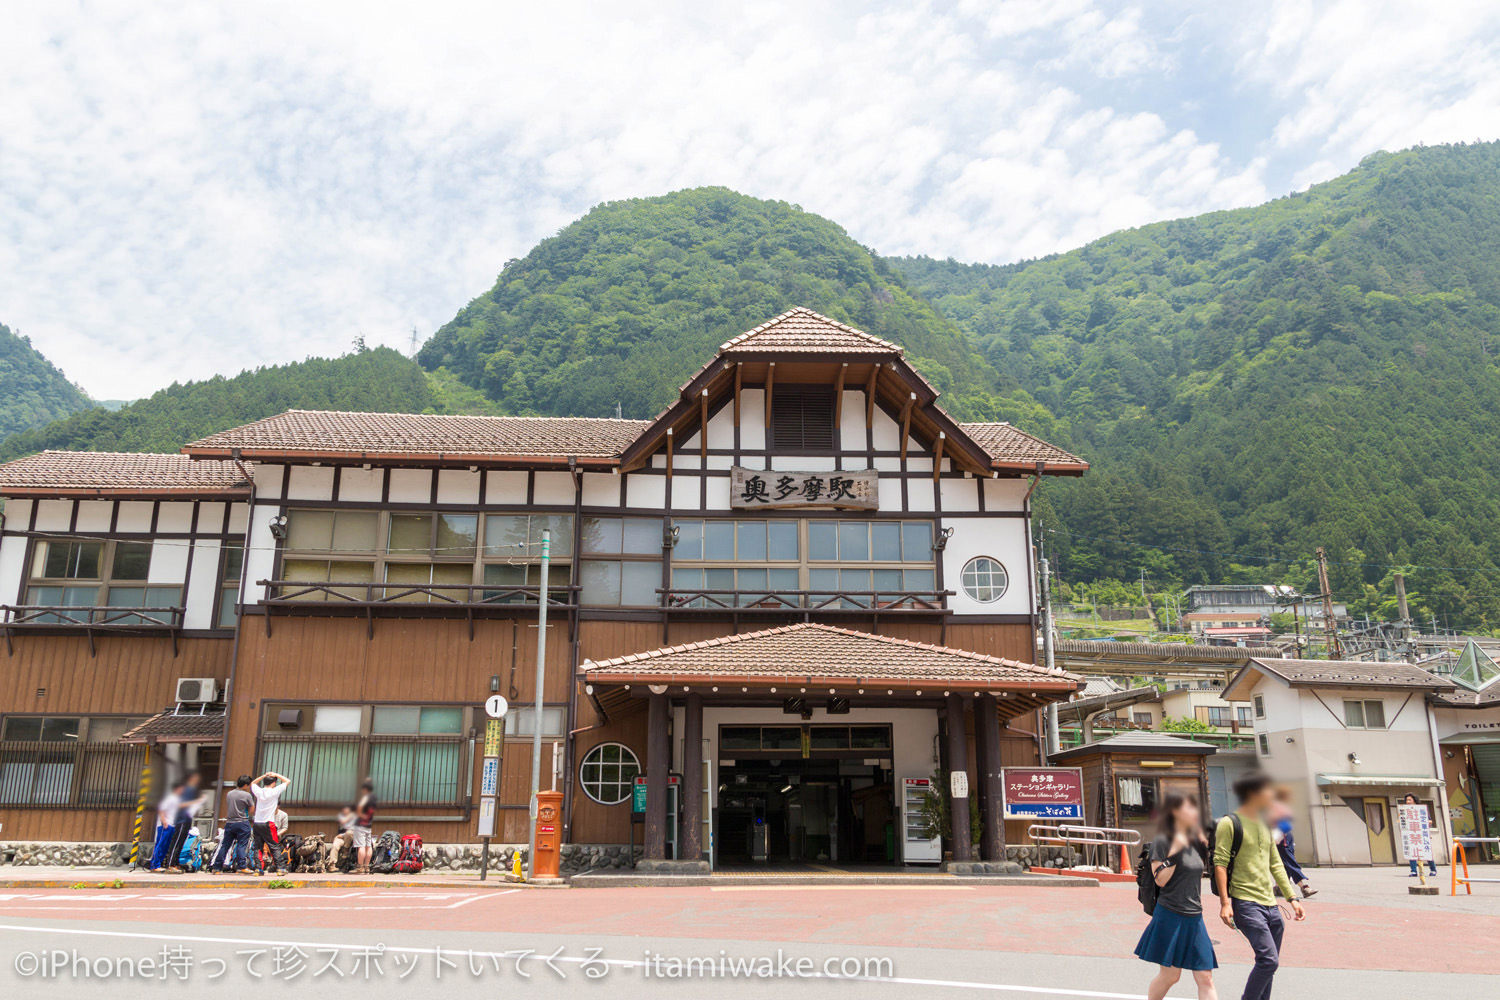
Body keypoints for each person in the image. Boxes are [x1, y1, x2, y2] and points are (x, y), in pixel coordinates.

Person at [1214, 771, 1305, 1000]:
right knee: (1268, 960)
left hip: (1271, 905)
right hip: (1246, 903)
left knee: (1269, 965)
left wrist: (1292, 898)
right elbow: (1220, 864)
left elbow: (1276, 864)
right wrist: (1225, 903)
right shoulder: (1229, 823)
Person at [1135, 791, 1218, 1000]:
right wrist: (1174, 852)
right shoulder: (1163, 841)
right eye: (1189, 808)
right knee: (1171, 976)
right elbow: (1160, 880)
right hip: (1170, 915)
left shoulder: (1196, 842)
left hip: (1195, 917)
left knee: (1205, 976)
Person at [1270, 786, 1315, 898]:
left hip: (1283, 839)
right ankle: (1302, 888)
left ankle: (1283, 888)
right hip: (1281, 839)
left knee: (1286, 864)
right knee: (1288, 864)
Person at [211, 775, 257, 875]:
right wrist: (246, 814)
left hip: (230, 823)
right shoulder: (247, 795)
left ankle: (217, 867)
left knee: (225, 846)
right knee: (241, 845)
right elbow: (252, 808)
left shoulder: (229, 794)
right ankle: (242, 867)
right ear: (245, 785)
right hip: (242, 822)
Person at [250, 771, 290, 874]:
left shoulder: (259, 791)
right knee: (274, 845)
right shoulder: (274, 791)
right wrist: (276, 774)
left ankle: (258, 869)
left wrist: (263, 775)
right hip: (268, 823)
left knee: (257, 847)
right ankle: (280, 868)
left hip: (257, 822)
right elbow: (287, 781)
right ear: (274, 783)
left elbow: (253, 783)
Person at [164, 772, 203, 874]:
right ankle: (170, 864)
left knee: (181, 842)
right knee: (176, 842)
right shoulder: (185, 789)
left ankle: (176, 863)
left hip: (187, 819)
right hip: (181, 819)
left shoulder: (191, 790)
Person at [148, 779, 184, 872]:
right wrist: (164, 821)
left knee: (166, 846)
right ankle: (154, 865)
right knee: (160, 844)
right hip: (165, 825)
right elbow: (161, 808)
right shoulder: (170, 798)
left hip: (172, 825)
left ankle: (158, 864)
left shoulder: (177, 799)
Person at [1401, 794, 1438, 877]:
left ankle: (1433, 869)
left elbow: (1430, 821)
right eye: (1407, 800)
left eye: (1409, 800)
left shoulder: (1421, 809)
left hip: (1422, 834)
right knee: (1412, 852)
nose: (1408, 802)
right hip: (1411, 834)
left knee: (1427, 851)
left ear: (1414, 800)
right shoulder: (1404, 810)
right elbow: (1401, 822)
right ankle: (1414, 871)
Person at [352, 779, 377, 874]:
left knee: (361, 846)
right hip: (368, 825)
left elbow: (359, 808)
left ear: (365, 789)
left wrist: (359, 814)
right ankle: (367, 867)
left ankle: (360, 867)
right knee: (368, 846)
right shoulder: (373, 799)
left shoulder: (365, 798)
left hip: (361, 825)